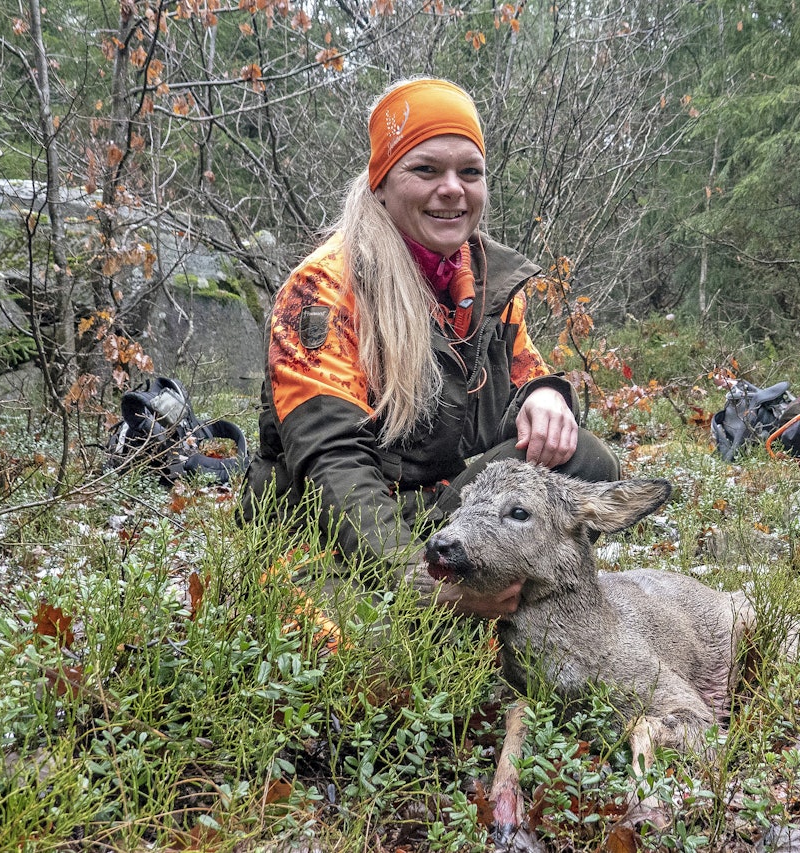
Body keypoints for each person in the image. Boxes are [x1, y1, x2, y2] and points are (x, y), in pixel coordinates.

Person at [241, 78, 620, 617]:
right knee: (366, 661)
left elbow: (526, 371)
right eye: (426, 170)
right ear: (382, 183)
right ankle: (460, 608)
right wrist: (419, 583)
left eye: (470, 172)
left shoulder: (490, 283)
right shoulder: (322, 292)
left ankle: (494, 603)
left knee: (582, 459)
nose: (453, 189)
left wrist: (544, 394)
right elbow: (333, 467)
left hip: (437, 509)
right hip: (324, 526)